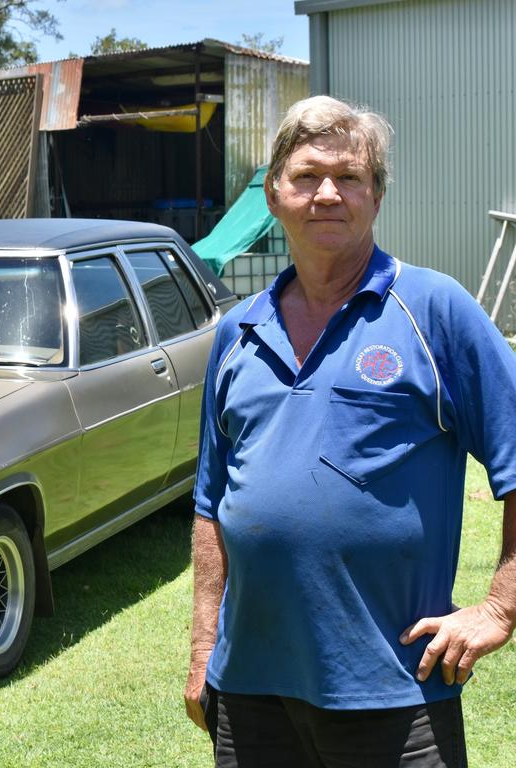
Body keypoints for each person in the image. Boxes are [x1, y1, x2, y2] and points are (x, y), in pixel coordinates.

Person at [183, 95, 516, 767]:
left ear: (377, 197)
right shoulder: (236, 332)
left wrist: (500, 610)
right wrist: (202, 651)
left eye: (350, 177)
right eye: (306, 176)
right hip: (251, 691)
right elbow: (212, 505)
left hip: (394, 691)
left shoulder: (435, 311)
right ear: (273, 196)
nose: (327, 194)